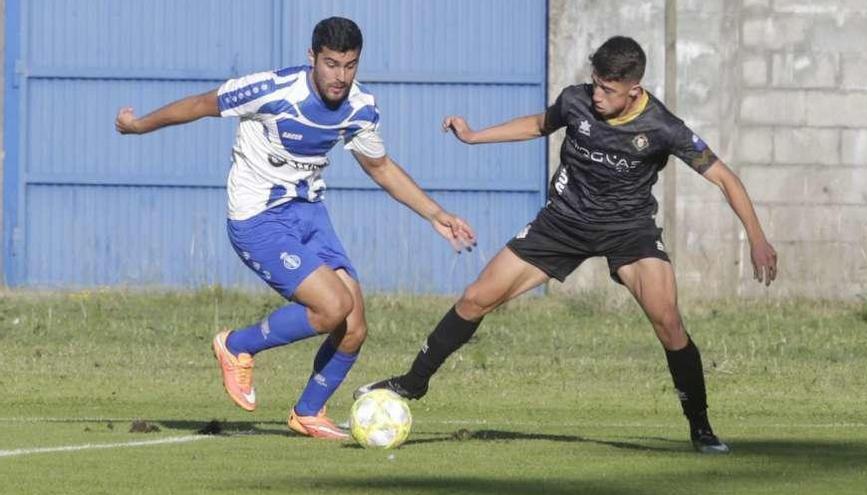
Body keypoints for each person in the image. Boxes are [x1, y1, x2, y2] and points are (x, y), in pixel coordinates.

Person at [356, 36, 778, 454]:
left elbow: (724, 177)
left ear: (634, 89)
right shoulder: (575, 102)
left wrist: (756, 238)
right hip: (562, 223)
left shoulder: (662, 127)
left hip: (628, 230)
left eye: (608, 90)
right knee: (475, 298)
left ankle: (701, 427)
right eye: (595, 83)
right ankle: (413, 383)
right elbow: (539, 124)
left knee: (669, 323)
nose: (597, 95)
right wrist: (473, 136)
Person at [115, 17, 475, 440]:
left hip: (309, 214)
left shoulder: (360, 107)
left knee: (354, 325)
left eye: (350, 65)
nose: (340, 76)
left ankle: (308, 412)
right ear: (312, 57)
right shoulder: (270, 89)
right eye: (331, 64)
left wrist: (436, 214)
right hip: (257, 218)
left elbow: (379, 167)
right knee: (332, 307)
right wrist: (138, 126)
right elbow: (199, 104)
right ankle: (236, 346)